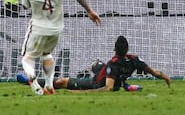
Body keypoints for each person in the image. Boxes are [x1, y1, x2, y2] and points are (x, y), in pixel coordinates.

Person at [21, 0, 101, 95]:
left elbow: (25, 6)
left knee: (27, 58)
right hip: (56, 28)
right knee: (46, 54)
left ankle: (33, 79)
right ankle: (49, 86)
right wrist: (90, 10)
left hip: (38, 27)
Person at [18, 35, 171, 91]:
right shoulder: (134, 59)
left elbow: (108, 89)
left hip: (95, 83)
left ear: (114, 49)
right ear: (127, 49)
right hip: (108, 73)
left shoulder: (113, 63)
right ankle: (125, 84)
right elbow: (155, 72)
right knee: (95, 64)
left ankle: (32, 82)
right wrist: (166, 78)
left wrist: (83, 92)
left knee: (63, 81)